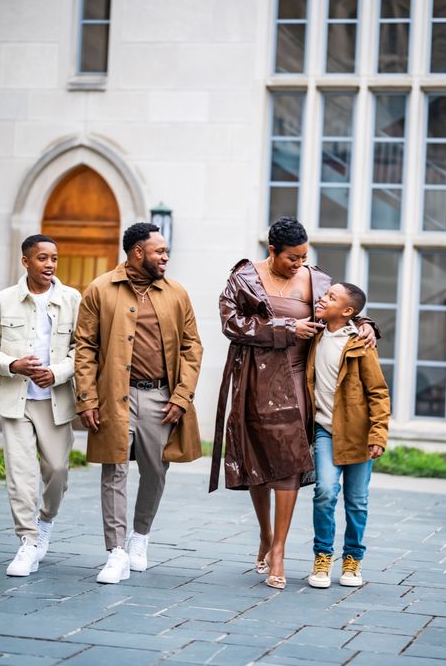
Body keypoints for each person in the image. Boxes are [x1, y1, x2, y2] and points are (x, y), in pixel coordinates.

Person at [210, 217, 377, 590]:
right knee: (257, 459)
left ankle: (280, 550)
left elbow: (342, 305)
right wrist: (286, 329)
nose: (299, 264)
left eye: (304, 257)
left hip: (300, 380)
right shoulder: (244, 277)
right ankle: (266, 535)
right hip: (254, 378)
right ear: (272, 250)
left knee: (286, 461)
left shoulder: (314, 278)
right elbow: (230, 323)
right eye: (292, 258)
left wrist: (366, 323)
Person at [75, 222, 203, 584]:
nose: (165, 257)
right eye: (159, 251)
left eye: (165, 251)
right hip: (114, 394)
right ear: (137, 253)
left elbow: (193, 346)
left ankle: (139, 537)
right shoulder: (100, 289)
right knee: (113, 470)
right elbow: (84, 347)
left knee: (156, 469)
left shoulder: (176, 293)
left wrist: (181, 395)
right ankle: (115, 552)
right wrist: (86, 397)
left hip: (160, 396)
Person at [0, 235, 80, 576]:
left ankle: (45, 520)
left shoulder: (72, 299)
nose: (50, 264)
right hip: (16, 401)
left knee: (57, 472)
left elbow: (83, 349)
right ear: (26, 262)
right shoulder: (4, 300)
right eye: (42, 258)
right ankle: (28, 541)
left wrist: (58, 372)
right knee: (21, 476)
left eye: (54, 258)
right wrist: (12, 365)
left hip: (55, 401)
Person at [306, 282, 390, 589]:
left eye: (331, 297)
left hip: (358, 434)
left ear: (347, 311)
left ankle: (353, 558)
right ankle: (322, 556)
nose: (322, 298)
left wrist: (378, 434)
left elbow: (379, 393)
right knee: (326, 491)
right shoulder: (313, 334)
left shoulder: (360, 343)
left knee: (357, 501)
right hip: (325, 430)